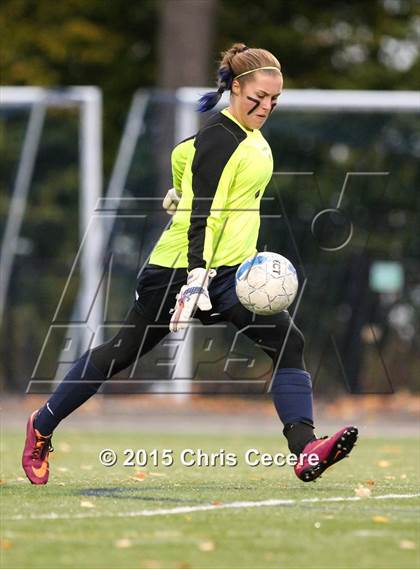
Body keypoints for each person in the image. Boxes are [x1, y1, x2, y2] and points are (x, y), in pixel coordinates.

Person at [22, 43, 358, 485]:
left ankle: (306, 450)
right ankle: (42, 425)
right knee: (121, 353)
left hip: (231, 274)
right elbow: (205, 216)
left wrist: (181, 188)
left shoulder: (242, 137)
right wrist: (196, 273)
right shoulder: (221, 139)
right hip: (179, 271)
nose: (266, 106)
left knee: (287, 342)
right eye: (258, 97)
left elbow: (183, 152)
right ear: (236, 88)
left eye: (274, 100)